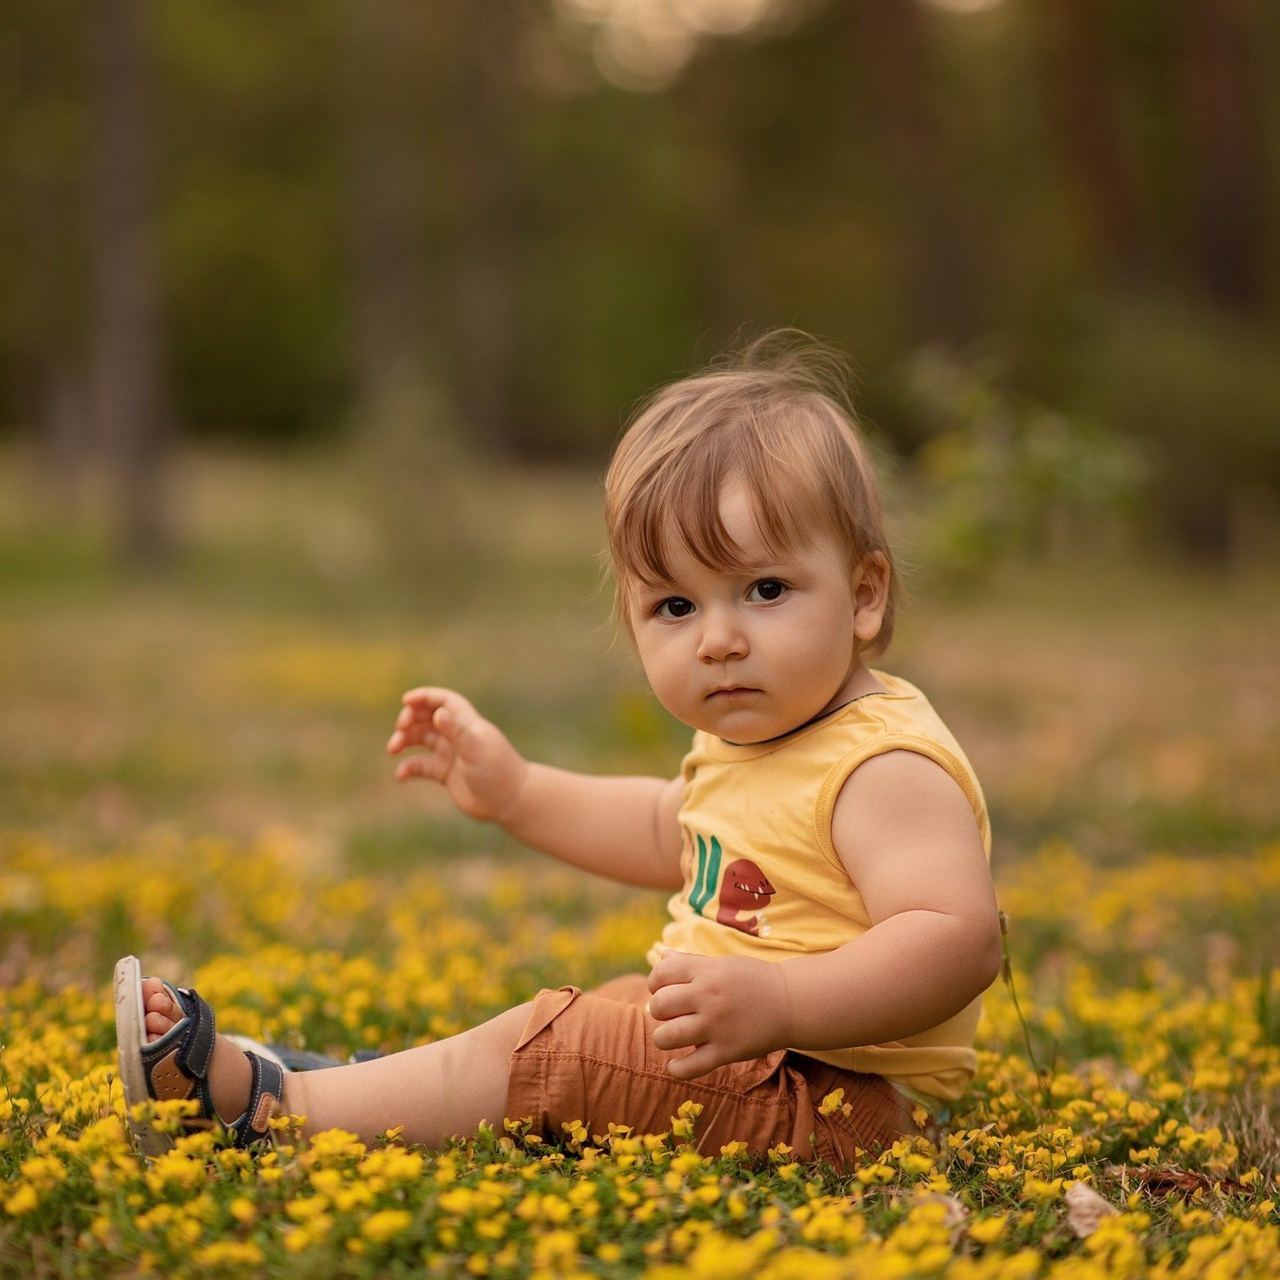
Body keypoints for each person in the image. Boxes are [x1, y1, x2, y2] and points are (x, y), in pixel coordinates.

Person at [114, 333, 1002, 1166]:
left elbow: (957, 940)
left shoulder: (879, 767)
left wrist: (781, 1002)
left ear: (864, 595)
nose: (719, 640)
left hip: (844, 1102)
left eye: (765, 590)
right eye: (676, 606)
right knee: (609, 1011)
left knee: (564, 1041)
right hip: (768, 1066)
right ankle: (363, 1091)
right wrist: (517, 791)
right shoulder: (760, 739)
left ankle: (275, 1107)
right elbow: (666, 828)